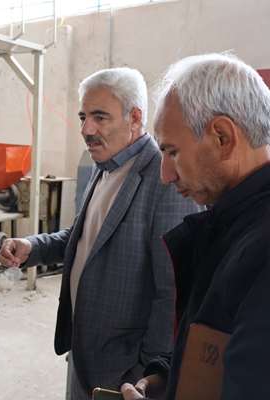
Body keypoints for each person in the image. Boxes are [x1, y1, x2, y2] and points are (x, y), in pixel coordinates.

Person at [0, 67, 201, 399]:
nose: (86, 130)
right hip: (83, 352)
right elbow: (85, 238)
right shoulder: (104, 166)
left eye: (100, 117)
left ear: (135, 118)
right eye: (83, 117)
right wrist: (33, 247)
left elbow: (173, 292)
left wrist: (150, 372)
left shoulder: (163, 180)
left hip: (125, 371)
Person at [120, 54, 270, 400]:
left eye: (172, 151)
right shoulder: (233, 228)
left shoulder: (261, 248)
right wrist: (171, 377)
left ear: (222, 137)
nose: (165, 175)